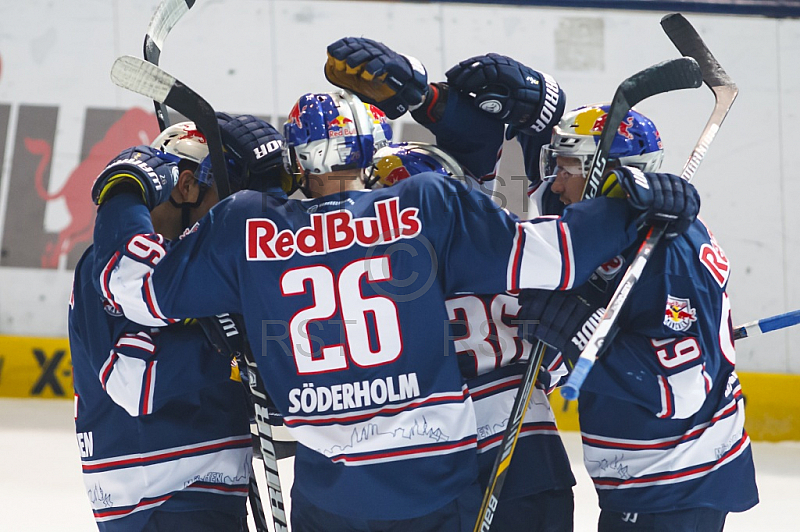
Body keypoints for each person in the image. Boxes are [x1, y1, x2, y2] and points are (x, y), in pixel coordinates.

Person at [86, 72, 699, 532]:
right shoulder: (425, 203)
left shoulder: (245, 225)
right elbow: (559, 254)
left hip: (328, 493)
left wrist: (125, 190)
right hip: (434, 477)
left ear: (298, 161)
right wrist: (636, 200)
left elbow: (133, 287)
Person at [327, 37, 577, 531]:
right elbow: (550, 177)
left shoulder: (364, 282)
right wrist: (542, 110)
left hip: (419, 469)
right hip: (527, 457)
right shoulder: (513, 254)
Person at [513, 104, 759, 531]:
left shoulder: (667, 253)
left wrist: (578, 330)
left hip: (677, 478)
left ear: (606, 172)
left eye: (569, 167)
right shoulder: (618, 231)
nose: (557, 181)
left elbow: (682, 390)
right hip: (648, 476)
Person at [69, 114, 288, 531]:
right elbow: (134, 381)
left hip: (208, 489)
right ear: (186, 186)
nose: (232, 217)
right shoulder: (107, 269)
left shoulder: (209, 264)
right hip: (157, 495)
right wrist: (231, 346)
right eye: (226, 198)